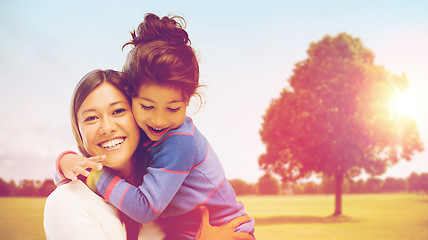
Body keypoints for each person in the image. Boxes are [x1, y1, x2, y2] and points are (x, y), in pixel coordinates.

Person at [56, 13, 255, 240]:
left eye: (173, 109)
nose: (159, 121)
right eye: (148, 106)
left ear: (188, 102)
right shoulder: (141, 133)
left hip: (229, 233)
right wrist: (68, 162)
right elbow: (70, 172)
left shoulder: (180, 141)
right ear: (131, 96)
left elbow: (144, 209)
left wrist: (92, 174)